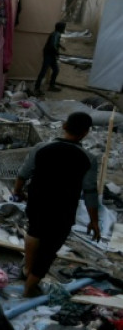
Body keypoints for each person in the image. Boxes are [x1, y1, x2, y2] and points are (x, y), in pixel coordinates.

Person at [12, 112, 99, 297]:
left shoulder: (41, 148)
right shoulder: (89, 158)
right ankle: (30, 287)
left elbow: (22, 174)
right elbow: (90, 191)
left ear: (64, 126)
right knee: (49, 248)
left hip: (37, 201)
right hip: (63, 208)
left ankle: (28, 269)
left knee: (34, 231)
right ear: (85, 133)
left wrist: (17, 191)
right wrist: (94, 221)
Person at [34, 21, 66, 95]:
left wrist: (60, 46)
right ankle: (37, 88)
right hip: (49, 55)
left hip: (50, 54)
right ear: (61, 28)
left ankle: (51, 86)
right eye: (64, 27)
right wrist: (57, 53)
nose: (64, 29)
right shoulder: (56, 34)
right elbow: (52, 45)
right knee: (44, 71)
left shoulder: (56, 33)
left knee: (55, 70)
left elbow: (55, 43)